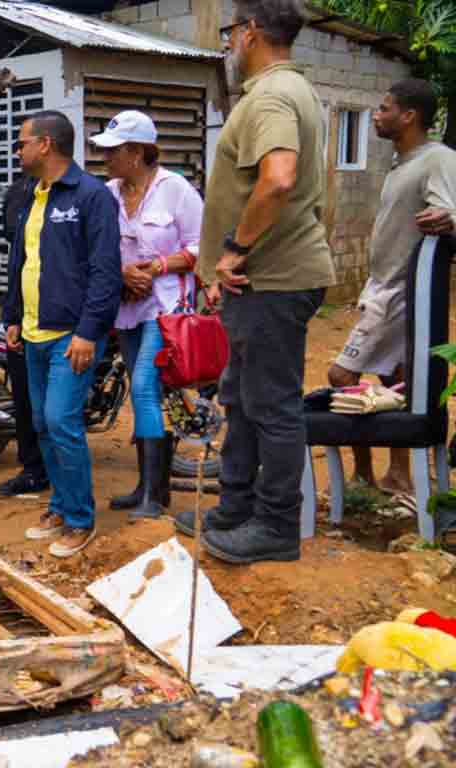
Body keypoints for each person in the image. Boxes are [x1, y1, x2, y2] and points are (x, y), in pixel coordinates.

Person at [186, 0, 336, 564]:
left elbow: (277, 180)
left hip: (272, 277)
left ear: (250, 33)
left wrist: (234, 250)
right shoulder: (289, 91)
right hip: (262, 282)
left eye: (231, 33)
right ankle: (235, 509)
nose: (228, 44)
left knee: (271, 405)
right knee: (242, 398)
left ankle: (275, 525)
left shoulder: (272, 95)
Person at [327, 79, 456, 494]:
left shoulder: (438, 160)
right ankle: (398, 474)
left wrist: (450, 220)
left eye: (384, 109)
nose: (377, 116)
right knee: (396, 378)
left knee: (341, 375)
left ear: (409, 116)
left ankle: (363, 475)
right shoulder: (403, 162)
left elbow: (449, 211)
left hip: (399, 291)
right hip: (383, 285)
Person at [4, 110, 122, 558]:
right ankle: (59, 504)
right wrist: (13, 316)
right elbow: (22, 262)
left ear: (46, 144)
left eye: (22, 142)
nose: (18, 150)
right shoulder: (33, 195)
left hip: (71, 336)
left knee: (61, 421)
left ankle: (79, 519)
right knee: (41, 424)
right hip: (33, 331)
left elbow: (105, 272)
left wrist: (88, 332)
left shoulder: (90, 196)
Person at [90, 110, 203, 519]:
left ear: (137, 152)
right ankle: (148, 488)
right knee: (145, 397)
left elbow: (200, 247)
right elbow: (97, 247)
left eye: (114, 151)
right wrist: (123, 273)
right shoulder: (108, 194)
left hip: (165, 307)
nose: (106, 158)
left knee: (141, 387)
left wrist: (156, 267)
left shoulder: (176, 190)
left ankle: (154, 496)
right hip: (126, 308)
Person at [0, 174, 50, 497]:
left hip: (62, 321)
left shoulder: (79, 194)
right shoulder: (20, 193)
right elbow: (16, 259)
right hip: (23, 316)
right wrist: (12, 317)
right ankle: (33, 469)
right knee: (27, 401)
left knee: (53, 411)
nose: (18, 152)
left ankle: (49, 471)